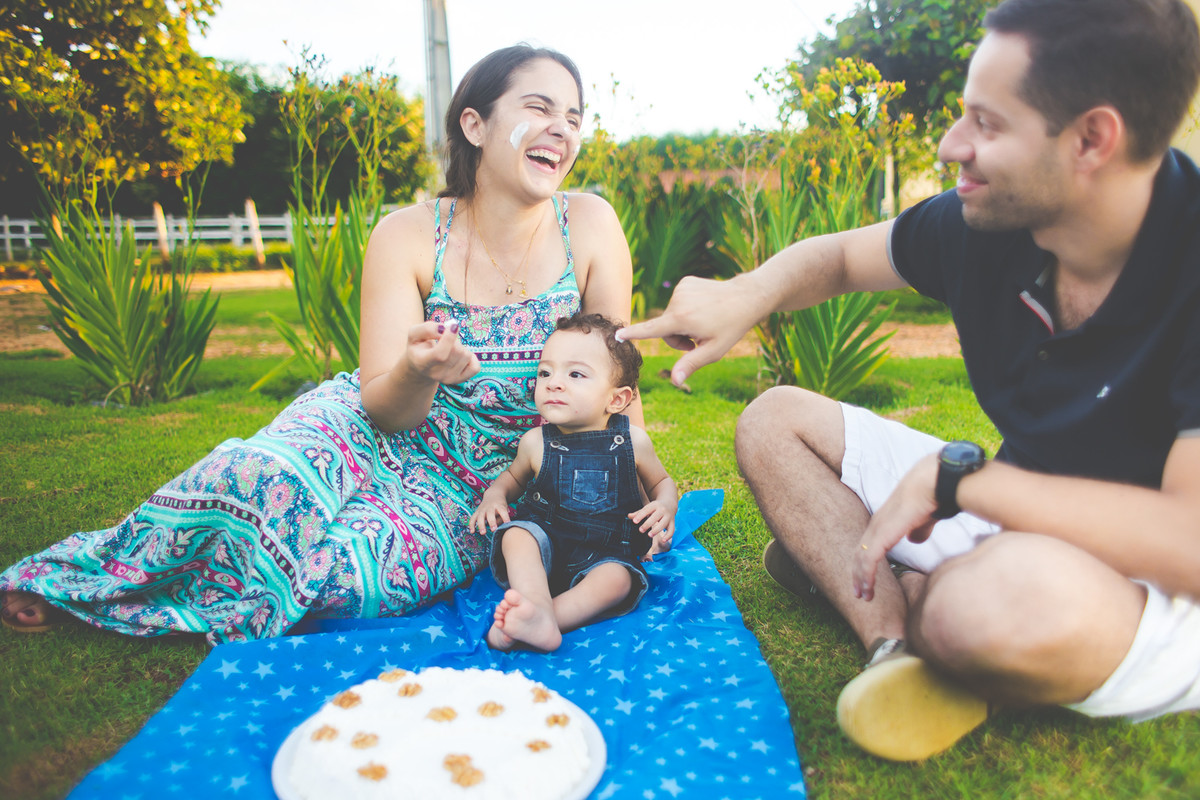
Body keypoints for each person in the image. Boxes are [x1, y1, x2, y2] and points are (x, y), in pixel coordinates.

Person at [620, 0, 1200, 763]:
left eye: (987, 125)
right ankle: (893, 645)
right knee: (774, 419)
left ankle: (919, 593)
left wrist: (963, 483)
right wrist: (748, 293)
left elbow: (1187, 542)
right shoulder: (988, 221)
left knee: (982, 607)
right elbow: (837, 259)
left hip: (1151, 588)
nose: (952, 144)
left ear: (1093, 138)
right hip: (1013, 509)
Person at [0, 44, 638, 645]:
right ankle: (85, 581)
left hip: (480, 485)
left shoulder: (589, 225)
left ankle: (183, 603)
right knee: (263, 480)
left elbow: (614, 385)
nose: (562, 128)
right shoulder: (408, 235)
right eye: (539, 108)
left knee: (352, 575)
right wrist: (419, 370)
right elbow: (387, 408)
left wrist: (631, 493)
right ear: (474, 125)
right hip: (372, 425)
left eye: (573, 117)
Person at [469, 312, 677, 652]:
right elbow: (510, 479)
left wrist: (665, 505)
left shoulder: (633, 442)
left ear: (616, 399)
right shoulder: (536, 442)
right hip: (547, 544)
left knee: (618, 580)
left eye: (575, 374)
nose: (553, 382)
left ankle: (544, 620)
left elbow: (661, 482)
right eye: (545, 372)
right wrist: (494, 496)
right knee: (517, 535)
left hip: (608, 553)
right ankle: (533, 599)